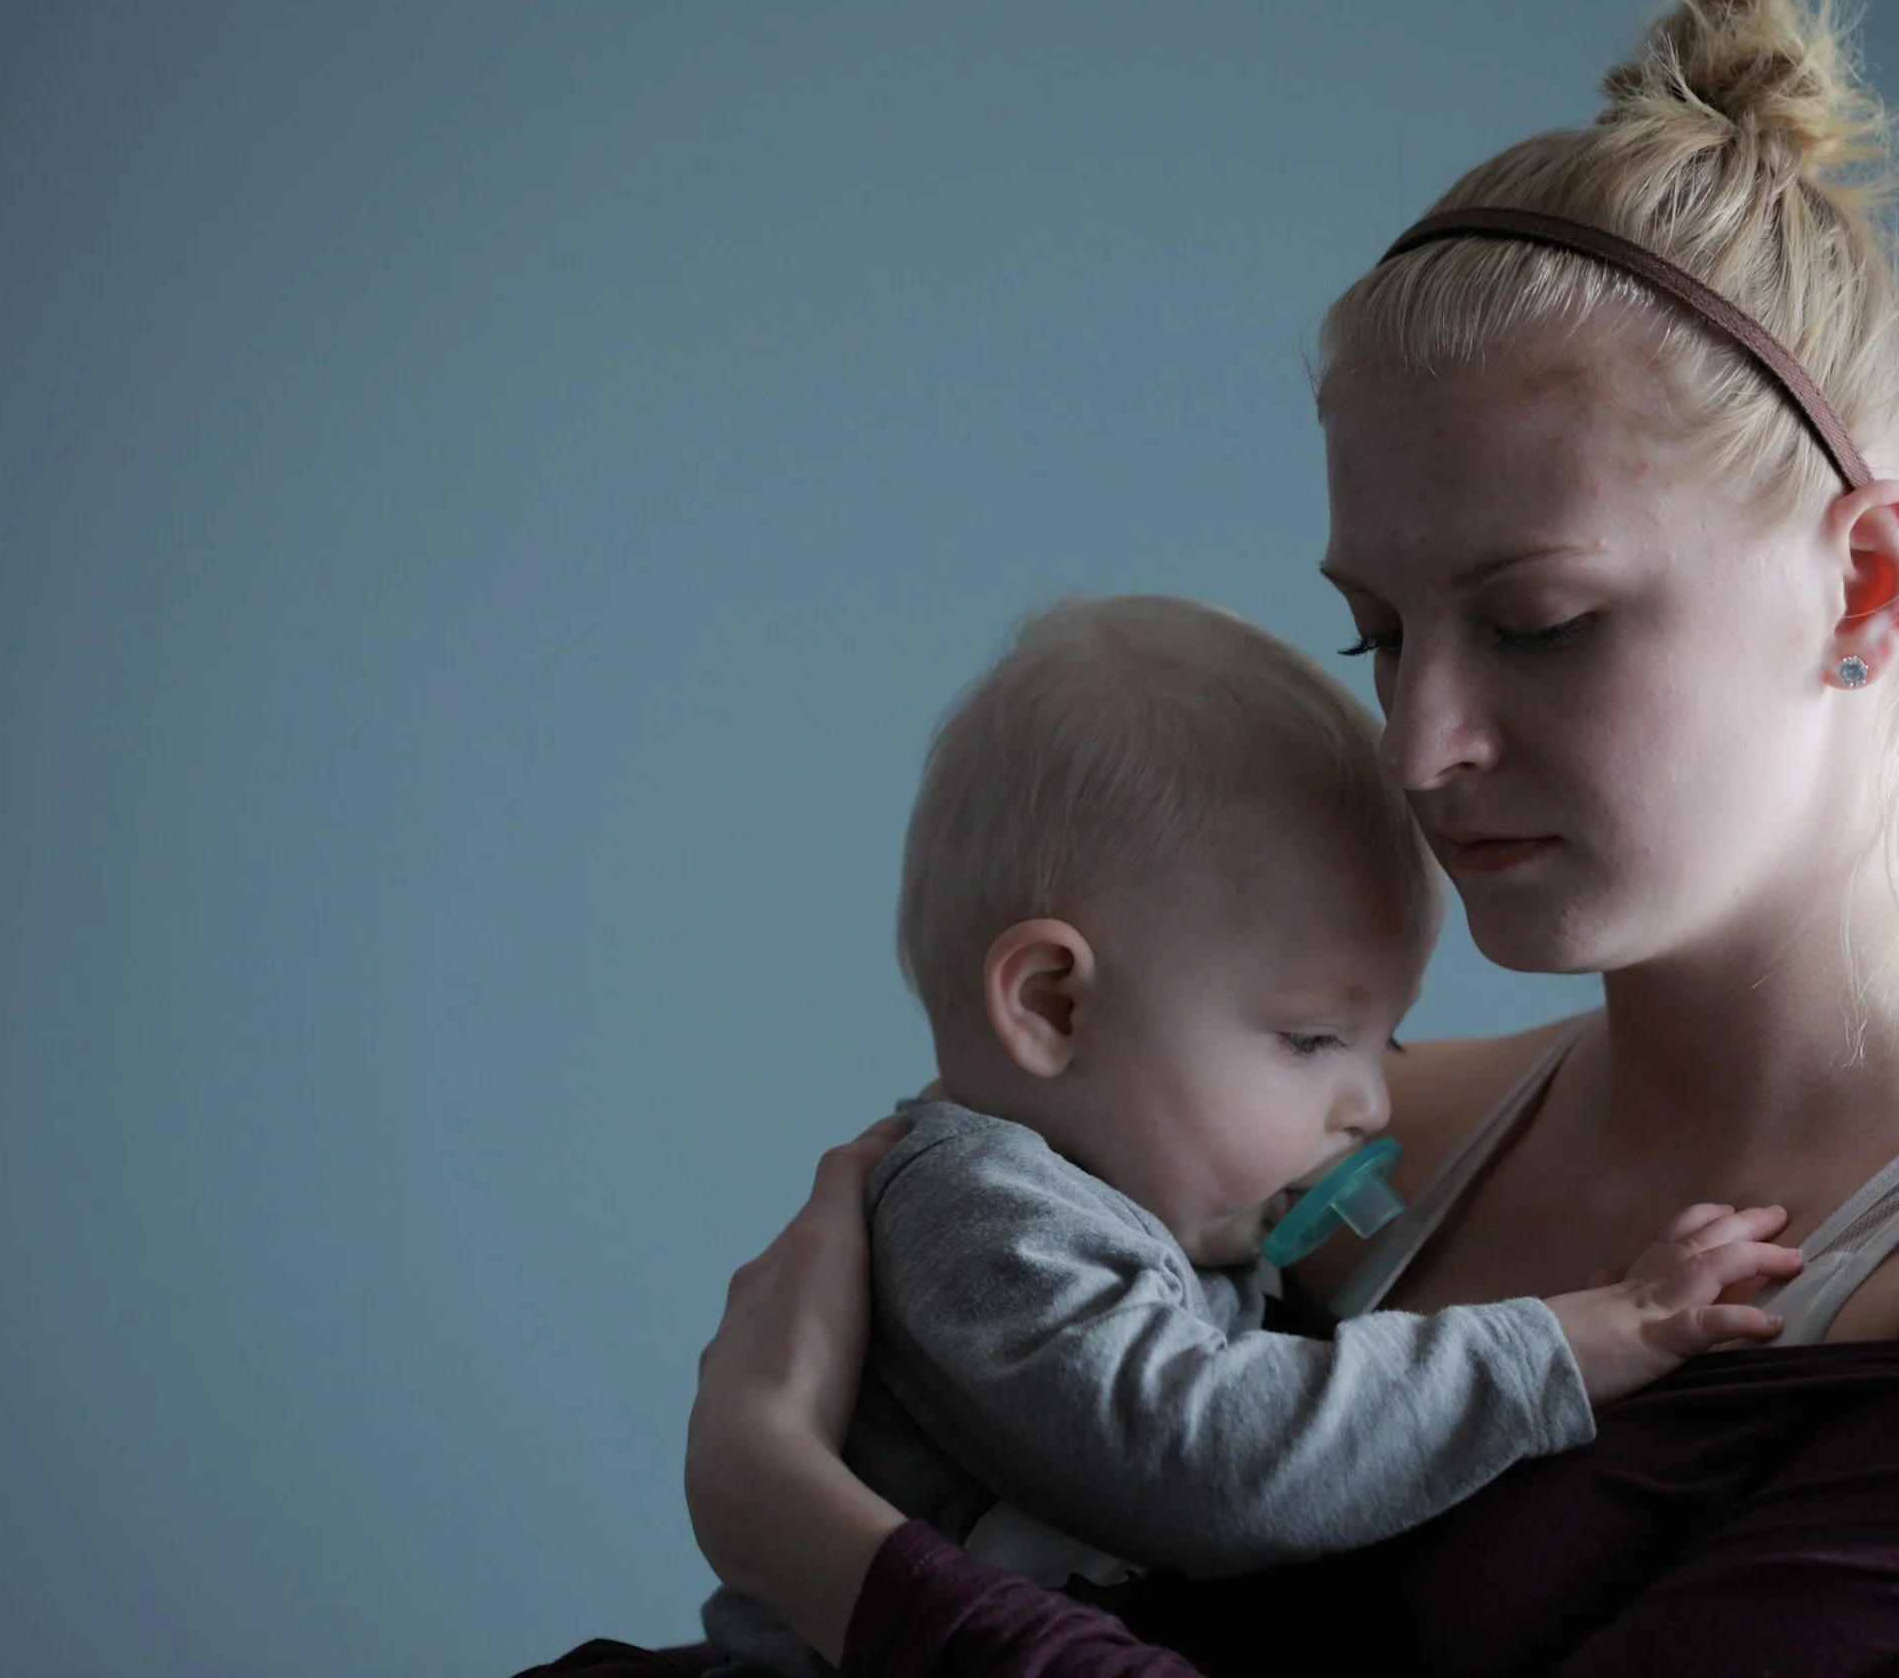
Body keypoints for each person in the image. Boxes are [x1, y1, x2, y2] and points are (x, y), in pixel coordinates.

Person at [525, 0, 1899, 1672]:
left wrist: (807, 1533)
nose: (1419, 743)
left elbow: (906, 1520)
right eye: (1378, 635)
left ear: (1866, 583)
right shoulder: (1350, 1130)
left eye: (1541, 623)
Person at [698, 594, 1802, 1676]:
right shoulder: (982, 1217)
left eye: (1389, 1046)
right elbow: (1212, 1454)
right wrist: (1559, 1345)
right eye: (1314, 1037)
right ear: (1052, 1006)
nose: (1370, 1105)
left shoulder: (1155, 1214)